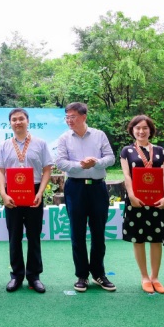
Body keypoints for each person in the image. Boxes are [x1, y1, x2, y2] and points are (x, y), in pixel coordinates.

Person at [55, 102, 116, 293]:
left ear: (84, 117)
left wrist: (96, 162)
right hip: (75, 188)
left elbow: (110, 158)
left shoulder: (99, 135)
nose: (69, 120)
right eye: (67, 117)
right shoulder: (64, 138)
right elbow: (60, 162)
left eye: (73, 116)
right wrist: (81, 165)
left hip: (97, 187)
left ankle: (99, 274)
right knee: (77, 232)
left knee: (98, 233)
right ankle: (82, 275)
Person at [0, 108, 53, 293]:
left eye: (21, 119)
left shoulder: (40, 144)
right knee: (14, 236)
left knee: (34, 236)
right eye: (14, 119)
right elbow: (0, 170)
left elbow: (47, 169)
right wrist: (3, 194)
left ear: (28, 121)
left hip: (34, 192)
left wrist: (40, 192)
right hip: (11, 193)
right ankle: (16, 275)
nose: (18, 122)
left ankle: (34, 276)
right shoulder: (4, 145)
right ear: (10, 123)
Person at [120, 115, 164, 294]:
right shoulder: (127, 151)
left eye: (145, 128)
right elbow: (127, 175)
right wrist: (131, 196)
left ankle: (155, 277)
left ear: (150, 130)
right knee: (138, 238)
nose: (141, 131)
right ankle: (144, 277)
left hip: (158, 200)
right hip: (136, 201)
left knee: (157, 238)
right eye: (137, 128)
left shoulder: (160, 150)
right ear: (132, 130)